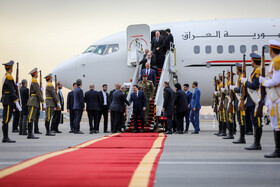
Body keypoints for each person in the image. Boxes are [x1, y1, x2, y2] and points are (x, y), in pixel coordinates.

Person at [259, 40, 280, 158]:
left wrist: (263, 81)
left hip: (277, 98)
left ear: (271, 50)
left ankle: (278, 150)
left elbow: (276, 81)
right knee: (275, 124)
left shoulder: (276, 62)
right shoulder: (275, 61)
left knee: (277, 125)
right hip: (274, 98)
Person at [241, 53, 263, 150]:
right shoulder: (255, 70)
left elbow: (254, 86)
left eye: (251, 60)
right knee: (255, 121)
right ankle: (256, 143)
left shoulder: (258, 71)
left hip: (256, 99)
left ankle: (257, 144)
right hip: (254, 99)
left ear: (253, 61)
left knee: (257, 121)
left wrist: (245, 82)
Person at [1, 61, 22, 143]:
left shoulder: (6, 76)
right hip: (8, 99)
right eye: (12, 67)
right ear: (10, 68)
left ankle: (5, 137)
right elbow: (11, 91)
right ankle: (5, 138)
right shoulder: (8, 77)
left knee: (6, 118)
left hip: (6, 99)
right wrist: (16, 102)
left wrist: (15, 85)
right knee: (6, 119)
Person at [26, 68, 46, 139]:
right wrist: (43, 101)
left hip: (33, 101)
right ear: (35, 74)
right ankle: (30, 134)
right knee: (31, 118)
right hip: (33, 101)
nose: (37, 74)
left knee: (31, 117)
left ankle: (30, 133)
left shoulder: (34, 81)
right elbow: (37, 92)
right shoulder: (34, 81)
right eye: (37, 73)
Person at [230, 63, 247, 144]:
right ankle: (241, 138)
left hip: (240, 101)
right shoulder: (240, 78)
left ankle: (242, 138)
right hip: (238, 100)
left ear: (238, 70)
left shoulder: (241, 78)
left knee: (241, 120)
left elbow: (240, 90)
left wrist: (233, 88)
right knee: (240, 120)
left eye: (236, 69)